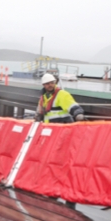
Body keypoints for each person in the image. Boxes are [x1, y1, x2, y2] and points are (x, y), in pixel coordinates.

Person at [35, 73, 84, 209]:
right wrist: (37, 117)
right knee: (51, 160)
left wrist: (78, 114)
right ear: (43, 85)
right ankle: (53, 184)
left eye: (51, 82)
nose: (49, 85)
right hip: (51, 133)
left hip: (63, 132)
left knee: (63, 160)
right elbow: (41, 111)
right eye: (47, 83)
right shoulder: (44, 97)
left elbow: (72, 105)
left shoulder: (61, 94)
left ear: (55, 82)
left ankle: (66, 186)